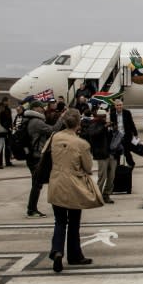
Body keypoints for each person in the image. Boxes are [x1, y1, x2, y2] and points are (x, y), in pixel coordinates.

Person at [47, 109, 96, 273]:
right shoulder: (81, 143)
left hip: (56, 182)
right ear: (78, 124)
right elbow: (88, 167)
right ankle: (74, 255)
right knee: (74, 223)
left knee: (60, 221)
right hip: (74, 184)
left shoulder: (55, 137)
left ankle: (57, 251)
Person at [24, 100, 64, 218]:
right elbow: (53, 130)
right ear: (35, 108)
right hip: (36, 156)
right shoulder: (36, 122)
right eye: (41, 107)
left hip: (32, 155)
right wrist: (61, 118)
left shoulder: (29, 120)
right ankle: (31, 209)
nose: (43, 109)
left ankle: (32, 208)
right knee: (37, 184)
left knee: (37, 183)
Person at [84, 105, 116, 203]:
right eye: (102, 117)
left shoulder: (106, 125)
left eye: (105, 117)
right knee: (102, 176)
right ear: (98, 117)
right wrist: (104, 127)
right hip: (101, 154)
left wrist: (112, 129)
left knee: (111, 176)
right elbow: (93, 134)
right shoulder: (94, 124)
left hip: (110, 153)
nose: (104, 118)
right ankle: (97, 195)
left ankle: (106, 194)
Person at [111, 99, 138, 167]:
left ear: (122, 105)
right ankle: (117, 165)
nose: (119, 106)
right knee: (117, 151)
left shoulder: (127, 113)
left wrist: (135, 133)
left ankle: (131, 164)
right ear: (115, 106)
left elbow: (131, 123)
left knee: (126, 151)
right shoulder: (112, 113)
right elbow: (111, 124)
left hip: (126, 135)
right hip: (117, 136)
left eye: (120, 105)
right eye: (117, 105)